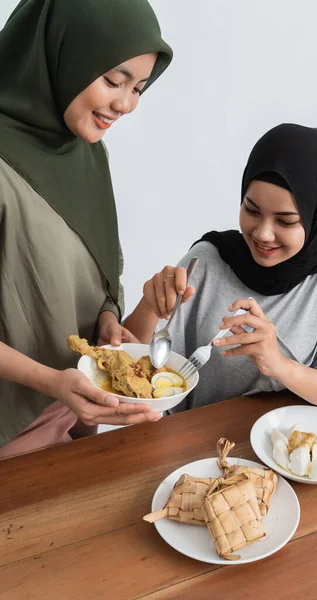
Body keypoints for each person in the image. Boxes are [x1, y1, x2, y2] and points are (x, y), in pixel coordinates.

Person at [0, 0, 173, 458]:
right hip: (13, 424)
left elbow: (91, 272)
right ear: (60, 53)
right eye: (113, 80)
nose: (126, 104)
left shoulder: (88, 152)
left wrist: (108, 320)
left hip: (79, 404)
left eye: (139, 87)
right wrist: (50, 381)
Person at [126, 123, 317, 415]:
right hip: (188, 444)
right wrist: (149, 305)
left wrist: (279, 365)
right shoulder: (208, 259)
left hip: (283, 449)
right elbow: (131, 358)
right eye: (252, 210)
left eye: (286, 221)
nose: (263, 234)